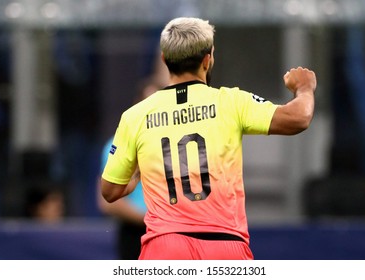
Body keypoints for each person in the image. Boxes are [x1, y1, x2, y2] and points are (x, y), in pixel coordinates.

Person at [101, 17, 316, 260]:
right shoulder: (231, 102)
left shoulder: (135, 116)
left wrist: (138, 173)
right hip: (224, 245)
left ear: (164, 59)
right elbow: (299, 117)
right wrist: (304, 88)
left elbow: (109, 192)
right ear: (208, 59)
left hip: (165, 248)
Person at [97, 76, 167, 260]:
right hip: (134, 233)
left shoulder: (177, 145)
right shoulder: (116, 145)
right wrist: (149, 218)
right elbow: (107, 201)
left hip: (172, 233)